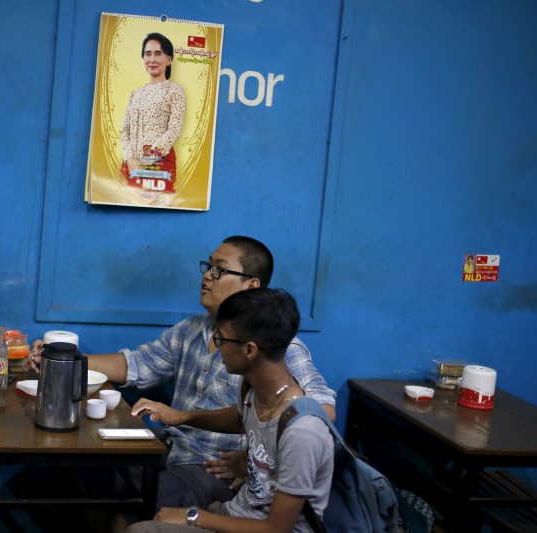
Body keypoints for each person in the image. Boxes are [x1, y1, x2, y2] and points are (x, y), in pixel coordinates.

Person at [30, 236, 335, 511]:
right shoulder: (192, 330)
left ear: (251, 286)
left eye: (219, 269)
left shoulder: (277, 346)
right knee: (67, 471)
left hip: (213, 468)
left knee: (143, 499)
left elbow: (322, 412)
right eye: (207, 266)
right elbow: (134, 364)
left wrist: (255, 462)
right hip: (168, 448)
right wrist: (60, 359)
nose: (206, 275)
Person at [126, 288, 334, 532]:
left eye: (221, 339)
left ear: (249, 350)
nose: (217, 347)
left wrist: (194, 516)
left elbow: (277, 529)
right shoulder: (253, 390)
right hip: (234, 513)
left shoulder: (303, 432)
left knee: (141, 529)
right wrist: (184, 416)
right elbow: (240, 416)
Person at [120, 32, 186, 194]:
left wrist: (145, 160)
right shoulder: (136, 93)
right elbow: (124, 130)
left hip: (159, 164)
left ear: (169, 60)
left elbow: (174, 130)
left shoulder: (175, 91)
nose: (152, 59)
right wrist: (130, 159)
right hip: (132, 166)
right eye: (147, 54)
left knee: (158, 209)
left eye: (158, 54)